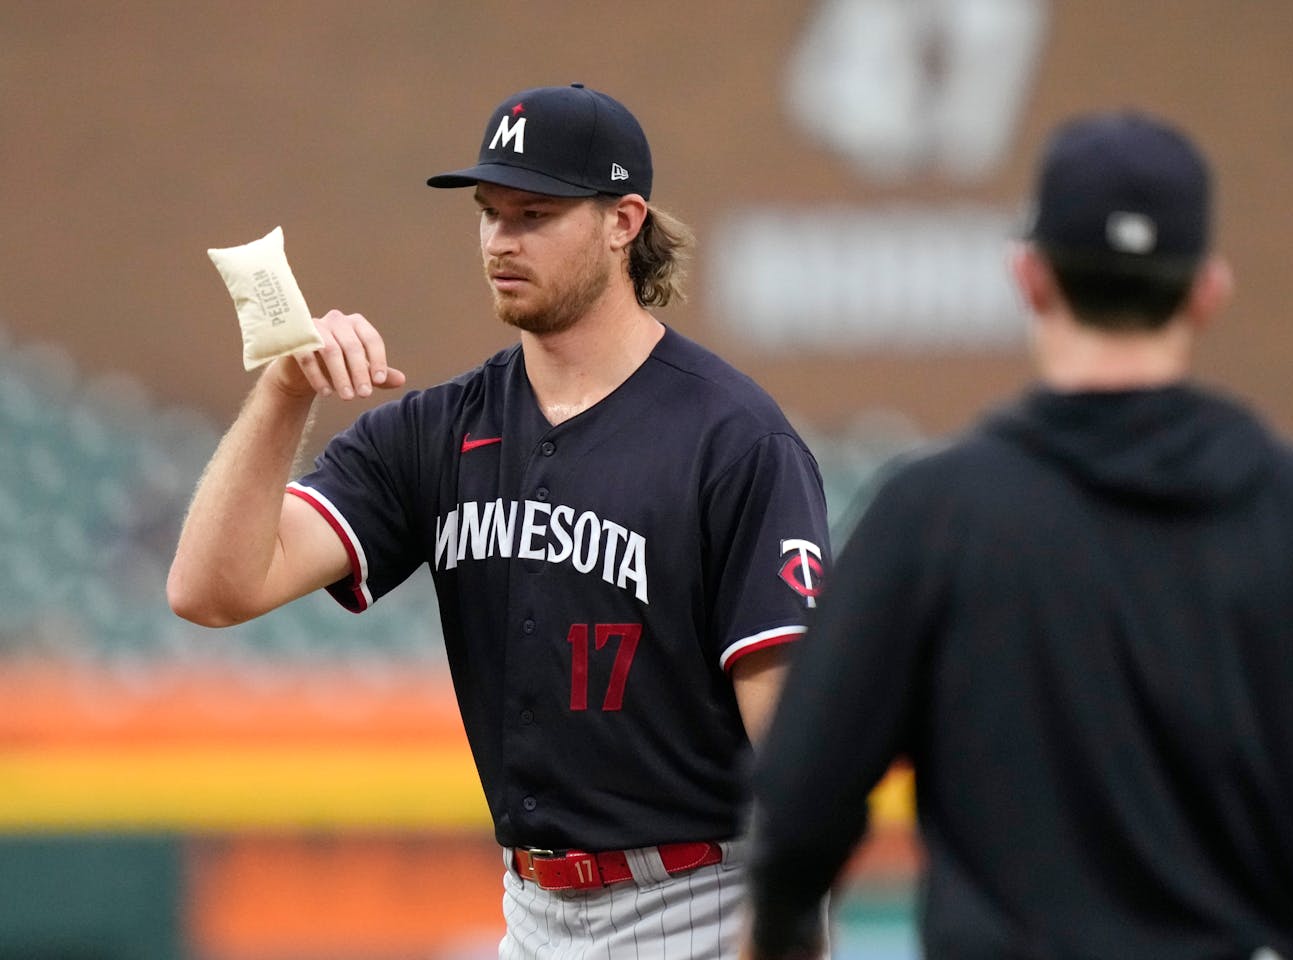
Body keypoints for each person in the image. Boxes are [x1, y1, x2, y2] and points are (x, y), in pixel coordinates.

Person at [743, 111, 1293, 960]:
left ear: (1030, 277)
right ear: (1206, 290)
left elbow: (801, 803)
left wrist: (779, 937)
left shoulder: (934, 514)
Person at [169, 82, 831, 959]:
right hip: (530, 913)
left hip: (696, 905)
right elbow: (210, 589)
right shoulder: (439, 429)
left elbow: (800, 756)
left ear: (623, 221)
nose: (499, 241)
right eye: (488, 212)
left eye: (535, 213)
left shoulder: (734, 441)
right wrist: (286, 390)